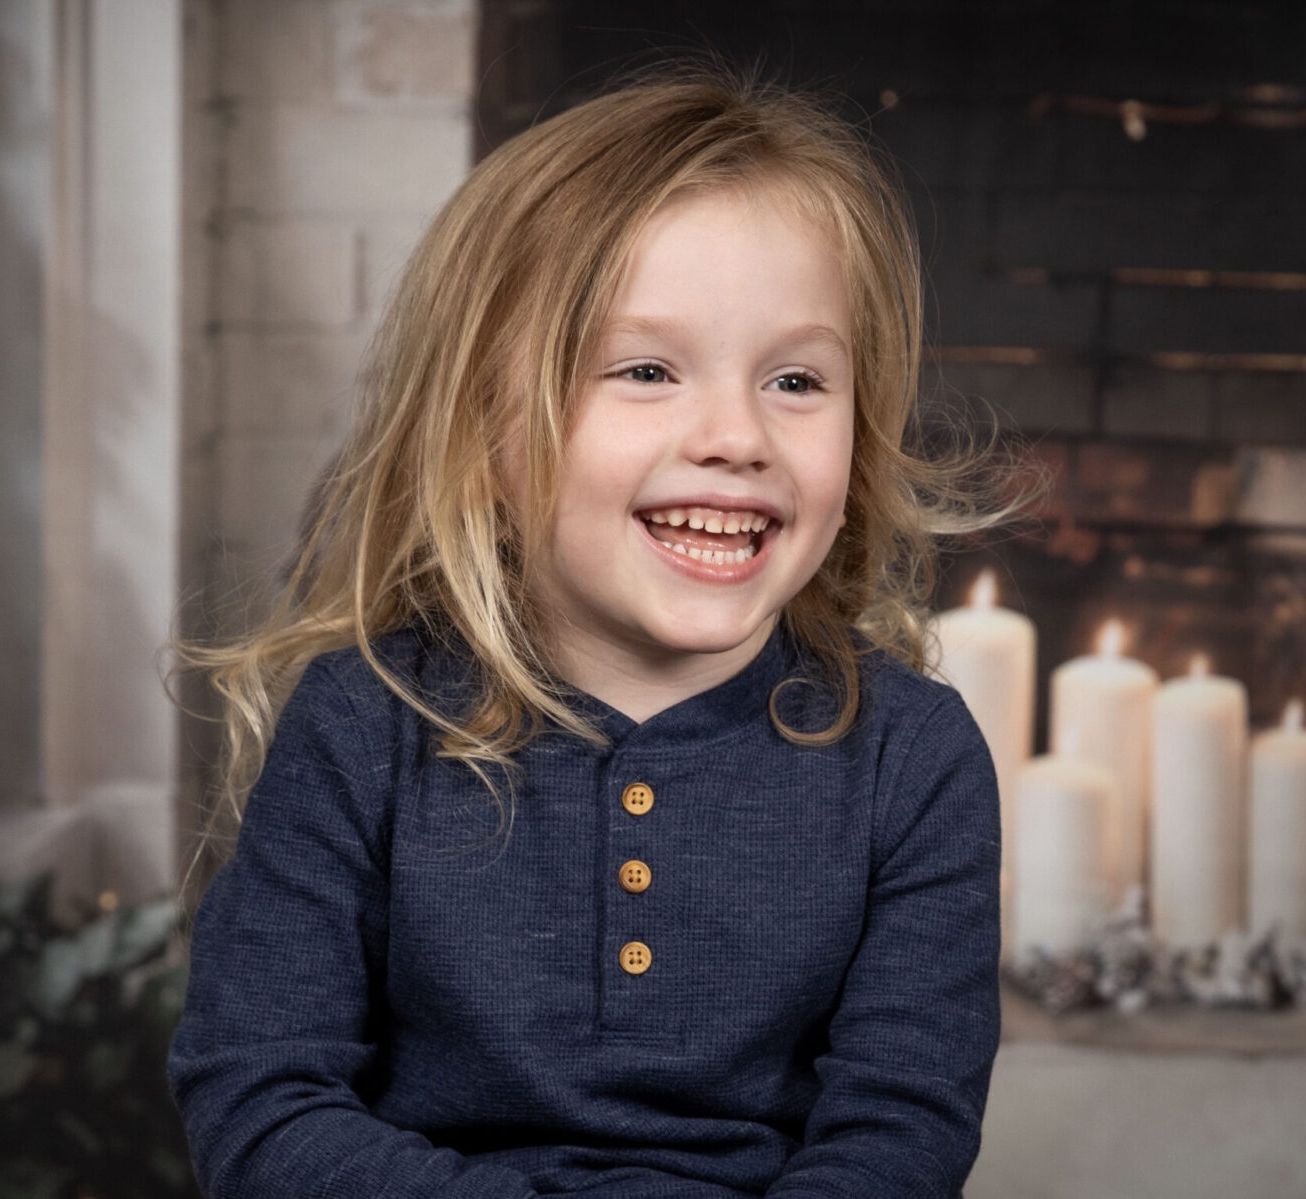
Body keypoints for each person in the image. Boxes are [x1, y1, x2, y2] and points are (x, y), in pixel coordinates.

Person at [166, 61, 1034, 1199]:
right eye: (644, 369)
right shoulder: (363, 720)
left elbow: (900, 1134)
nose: (736, 434)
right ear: (485, 433)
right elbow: (260, 1102)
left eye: (794, 378)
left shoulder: (912, 759)